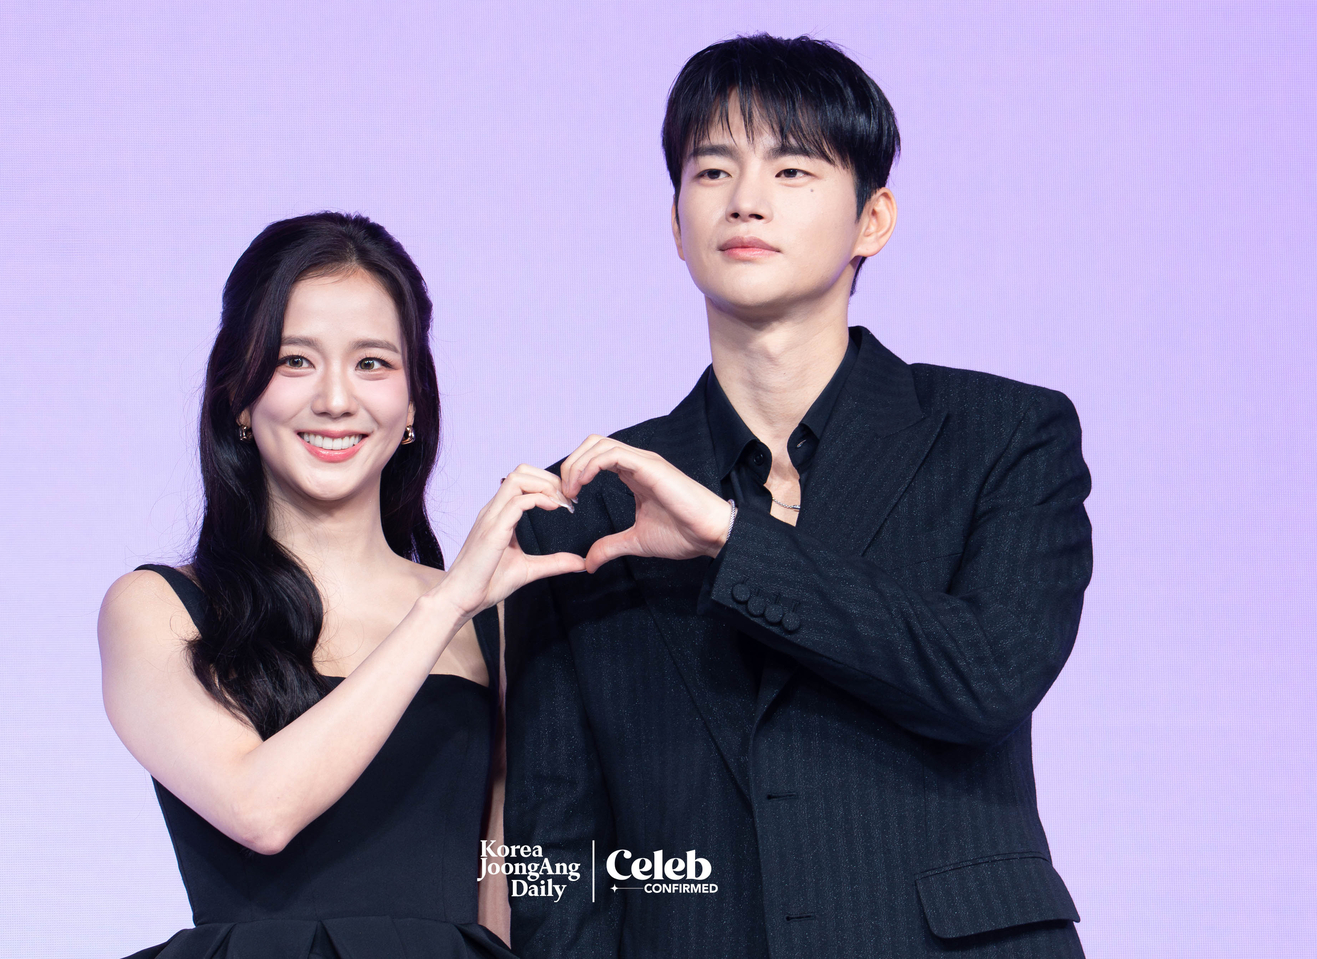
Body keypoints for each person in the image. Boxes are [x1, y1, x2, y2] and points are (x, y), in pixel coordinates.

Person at [503, 34, 1091, 958]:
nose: (746, 199)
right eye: (711, 169)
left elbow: (986, 676)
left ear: (873, 219)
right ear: (674, 220)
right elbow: (551, 853)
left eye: (792, 167)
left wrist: (734, 544)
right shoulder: (585, 500)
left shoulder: (1003, 434)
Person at [98, 212, 584, 959]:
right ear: (238, 393)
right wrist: (446, 601)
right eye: (295, 360)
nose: (335, 399)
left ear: (414, 401)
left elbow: (499, 882)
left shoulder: (494, 622)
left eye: (372, 363)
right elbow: (259, 808)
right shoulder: (158, 609)